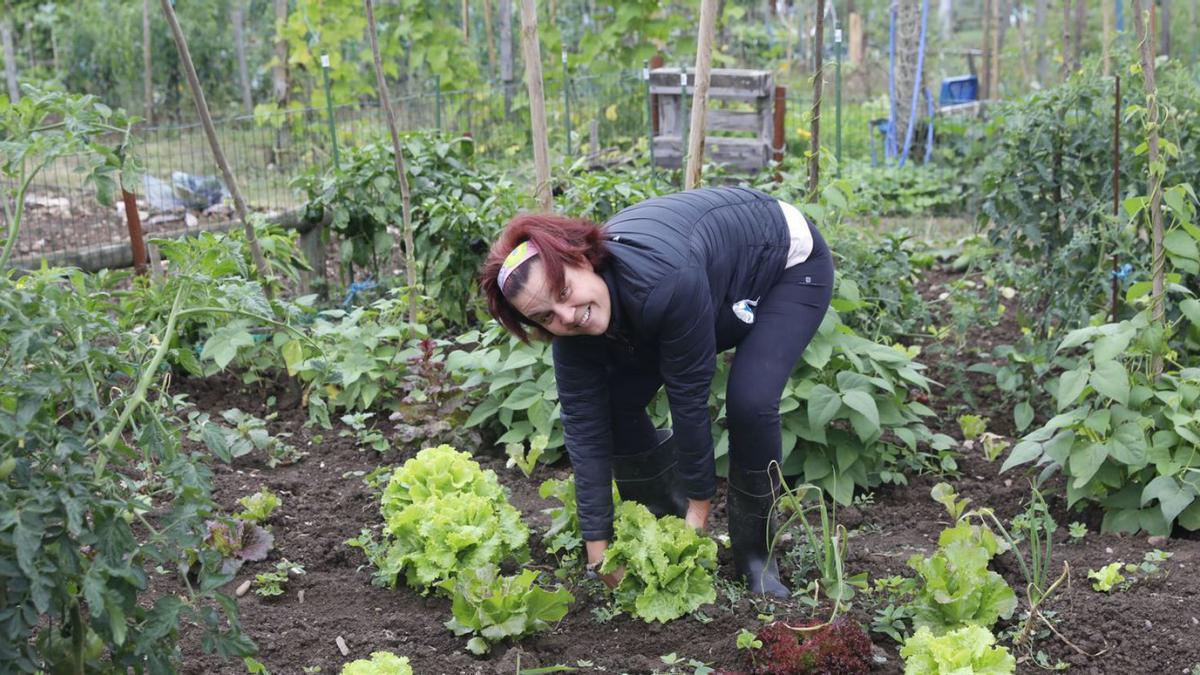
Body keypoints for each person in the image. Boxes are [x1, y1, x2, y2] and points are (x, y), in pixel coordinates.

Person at [480, 186, 834, 597]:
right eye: (546, 317)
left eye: (564, 293)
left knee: (750, 401)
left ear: (581, 261)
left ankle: (756, 554)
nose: (567, 316)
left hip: (783, 263)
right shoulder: (574, 330)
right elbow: (585, 431)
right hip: (703, 281)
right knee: (612, 406)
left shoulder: (664, 283)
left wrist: (699, 519)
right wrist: (599, 556)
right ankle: (662, 521)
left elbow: (689, 400)